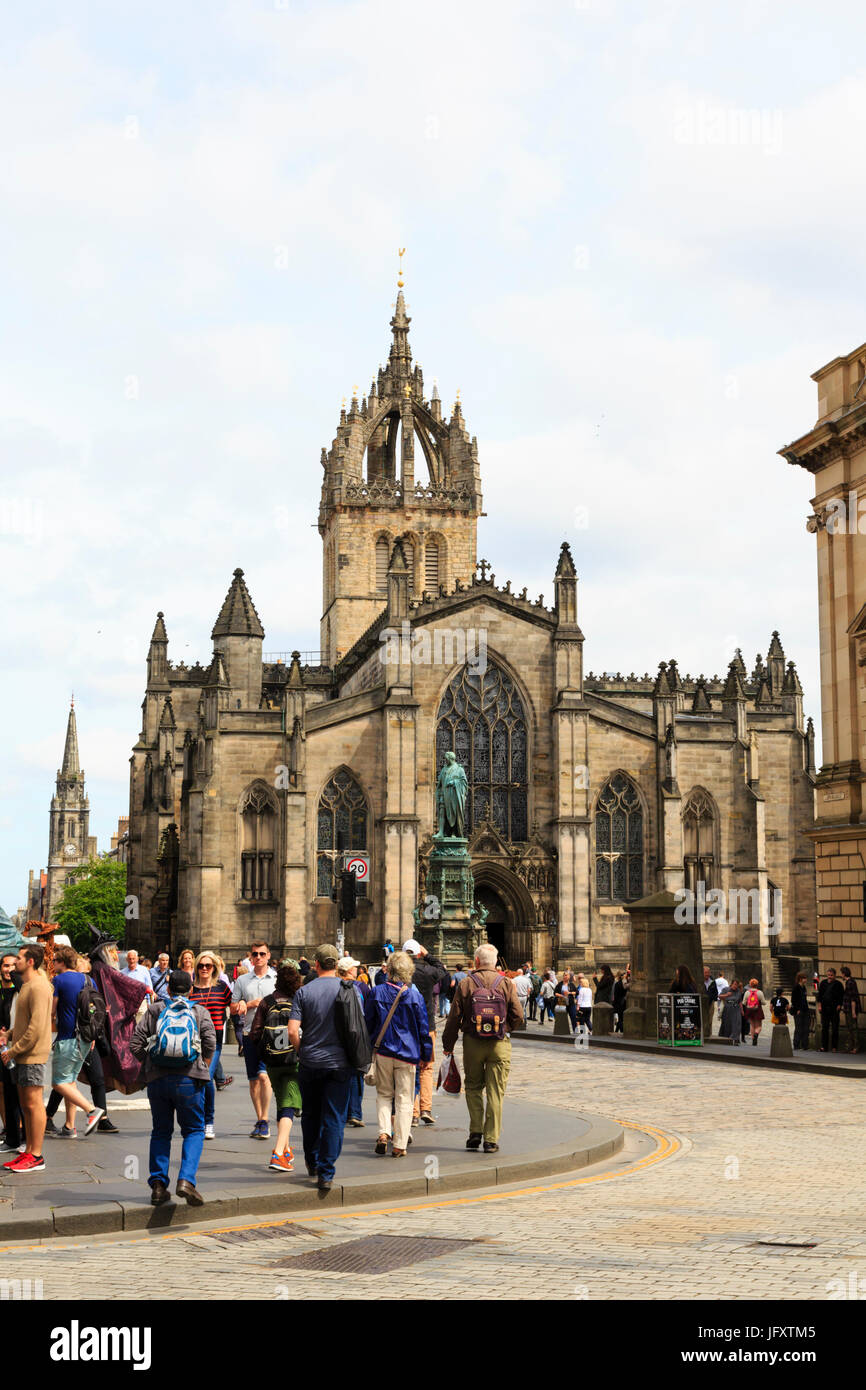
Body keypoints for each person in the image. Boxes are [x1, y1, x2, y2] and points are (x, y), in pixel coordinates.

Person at [130, 969, 215, 1206]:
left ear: (167, 989)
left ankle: (158, 1186)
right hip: (189, 1080)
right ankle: (186, 1181)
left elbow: (135, 1043)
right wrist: (202, 1066)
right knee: (194, 1130)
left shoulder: (156, 1010)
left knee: (160, 1131)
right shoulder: (199, 1011)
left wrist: (150, 1064)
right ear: (191, 989)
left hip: (157, 1080)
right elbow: (210, 1043)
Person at [442, 943, 523, 1153]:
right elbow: (519, 1016)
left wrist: (448, 1046)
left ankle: (475, 1132)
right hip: (499, 1043)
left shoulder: (467, 983)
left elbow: (453, 1019)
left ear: (477, 962)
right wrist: (505, 1028)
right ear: (495, 962)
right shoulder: (506, 983)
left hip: (473, 1042)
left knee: (473, 1087)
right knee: (496, 1092)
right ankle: (491, 1140)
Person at [287, 943, 355, 1192]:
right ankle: (326, 1173)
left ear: (315, 964)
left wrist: (301, 1050)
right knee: (334, 1117)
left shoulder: (304, 992)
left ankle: (312, 1161)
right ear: (337, 965)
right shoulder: (349, 989)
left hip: (310, 1062)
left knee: (311, 1115)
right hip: (339, 1063)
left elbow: (292, 1030)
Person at [364, 950, 431, 1157]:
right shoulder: (414, 995)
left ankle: (384, 1133)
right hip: (407, 1054)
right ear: (409, 971)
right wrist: (425, 1055)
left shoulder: (376, 992)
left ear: (389, 970)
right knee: (404, 1099)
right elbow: (423, 1028)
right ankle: (400, 1144)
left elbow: (368, 1023)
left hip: (383, 1051)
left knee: (384, 1094)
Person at [0, 943, 53, 1173]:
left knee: (33, 1104)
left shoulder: (39, 987)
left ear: (30, 961)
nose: (16, 962)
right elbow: (22, 1023)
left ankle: (37, 1155)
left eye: (20, 958)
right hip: (23, 1054)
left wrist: (13, 1049)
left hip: (31, 1055)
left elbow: (37, 1027)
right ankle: (28, 1151)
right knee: (25, 1105)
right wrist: (9, 1034)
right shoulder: (28, 986)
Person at [248, 959, 303, 1173]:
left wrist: (265, 1052)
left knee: (282, 1103)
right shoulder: (300, 1000)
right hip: (294, 1060)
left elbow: (254, 1033)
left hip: (272, 1061)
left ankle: (287, 1149)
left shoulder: (267, 1001)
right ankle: (278, 1153)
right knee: (290, 1105)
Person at [47, 945, 104, 1138]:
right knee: (70, 1082)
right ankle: (69, 1127)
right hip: (87, 1038)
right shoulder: (88, 979)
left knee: (58, 1083)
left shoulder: (59, 980)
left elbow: (52, 1011)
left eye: (55, 960)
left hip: (67, 1037)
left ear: (62, 962)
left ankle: (91, 1110)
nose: (53, 964)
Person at [230, 941, 276, 1139]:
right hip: (250, 1033)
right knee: (253, 1081)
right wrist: (246, 1004)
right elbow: (232, 1008)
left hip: (272, 1033)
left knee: (264, 1076)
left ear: (268, 955)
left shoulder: (276, 978)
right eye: (255, 954)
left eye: (262, 954)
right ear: (250, 956)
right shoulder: (242, 980)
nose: (258, 957)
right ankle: (259, 1118)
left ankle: (265, 1119)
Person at [402, 939, 447, 1127]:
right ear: (418, 953)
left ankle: (412, 1113)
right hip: (427, 1026)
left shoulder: (400, 972)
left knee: (410, 1069)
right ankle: (426, 1109)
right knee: (426, 1068)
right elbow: (443, 970)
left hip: (405, 1027)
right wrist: (427, 955)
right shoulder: (427, 972)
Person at [189, 952, 233, 1140]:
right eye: (201, 965)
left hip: (214, 1041)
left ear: (214, 967)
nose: (205, 968)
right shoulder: (191, 989)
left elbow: (235, 1003)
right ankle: (198, 1121)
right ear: (197, 967)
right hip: (192, 1041)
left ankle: (208, 1122)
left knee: (205, 1077)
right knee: (196, 1080)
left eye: (209, 965)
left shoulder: (222, 987)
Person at [337, 955, 366, 1127]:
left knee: (343, 1074)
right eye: (354, 967)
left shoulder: (335, 986)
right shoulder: (355, 988)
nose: (357, 969)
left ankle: (344, 1112)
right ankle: (354, 1112)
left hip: (338, 1037)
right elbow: (360, 1013)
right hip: (355, 1035)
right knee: (356, 1074)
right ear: (348, 971)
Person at [0, 953, 23, 1156]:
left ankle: (23, 1137)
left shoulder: (22, 989)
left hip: (17, 1049)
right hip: (3, 1047)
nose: (9, 970)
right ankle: (11, 1135)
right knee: (6, 1091)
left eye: (14, 966)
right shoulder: (2, 992)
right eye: (6, 966)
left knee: (20, 1094)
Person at [818, 967, 844, 1052]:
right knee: (824, 1028)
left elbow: (841, 996)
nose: (829, 977)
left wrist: (839, 1005)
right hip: (825, 1009)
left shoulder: (838, 984)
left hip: (834, 1009)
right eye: (828, 975)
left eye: (831, 975)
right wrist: (820, 1006)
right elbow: (820, 996)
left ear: (835, 975)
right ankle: (824, 1046)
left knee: (835, 1029)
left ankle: (834, 1047)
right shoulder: (823, 983)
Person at [841, 966, 860, 1053]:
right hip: (848, 1009)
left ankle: (854, 1047)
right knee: (850, 1028)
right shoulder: (850, 982)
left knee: (852, 1028)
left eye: (841, 974)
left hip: (850, 1010)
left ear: (844, 974)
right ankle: (851, 1047)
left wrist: (853, 1012)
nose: (841, 975)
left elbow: (853, 999)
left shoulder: (850, 983)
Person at [718, 979, 743, 1044]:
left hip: (736, 1008)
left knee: (736, 1024)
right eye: (734, 984)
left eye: (737, 985)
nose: (735, 986)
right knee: (727, 1024)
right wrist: (726, 995)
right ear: (731, 984)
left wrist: (742, 1010)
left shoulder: (738, 991)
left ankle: (735, 1038)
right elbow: (719, 996)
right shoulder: (726, 989)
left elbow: (740, 1001)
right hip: (728, 1008)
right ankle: (726, 1038)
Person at [791, 972, 811, 1050]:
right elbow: (794, 1000)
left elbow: (804, 999)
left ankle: (805, 1045)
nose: (805, 980)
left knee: (806, 1028)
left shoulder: (804, 987)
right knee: (799, 1028)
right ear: (800, 979)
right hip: (798, 1011)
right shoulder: (796, 987)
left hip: (805, 1010)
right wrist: (797, 1009)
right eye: (804, 978)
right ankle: (796, 1044)